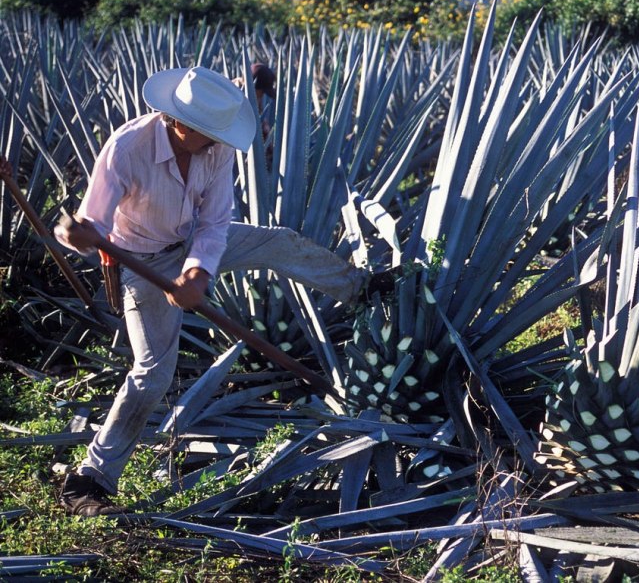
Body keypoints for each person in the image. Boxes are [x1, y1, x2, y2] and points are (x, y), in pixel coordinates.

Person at [54, 66, 394, 516]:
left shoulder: (214, 149)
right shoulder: (127, 149)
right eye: (211, 133)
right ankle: (89, 481)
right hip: (145, 263)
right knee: (153, 372)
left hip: (193, 241)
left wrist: (196, 274)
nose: (219, 140)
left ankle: (362, 291)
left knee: (278, 240)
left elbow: (215, 223)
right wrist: (74, 235)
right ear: (181, 123)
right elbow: (92, 225)